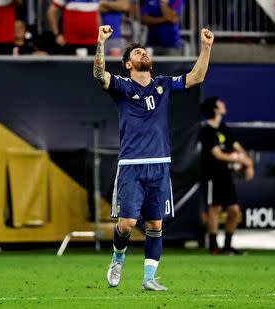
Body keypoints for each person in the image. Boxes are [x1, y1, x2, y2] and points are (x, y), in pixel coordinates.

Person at [93, 25, 214, 290]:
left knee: (155, 223)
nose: (143, 54)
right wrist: (101, 42)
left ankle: (149, 279)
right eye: (137, 52)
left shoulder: (163, 85)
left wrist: (206, 48)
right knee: (126, 224)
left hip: (160, 165)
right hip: (131, 166)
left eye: (144, 51)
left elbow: (195, 77)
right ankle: (118, 256)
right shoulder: (122, 87)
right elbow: (99, 75)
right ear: (128, 64)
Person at [198, 96, 254, 255]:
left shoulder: (223, 128)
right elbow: (217, 154)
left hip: (225, 175)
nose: (224, 104)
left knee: (234, 211)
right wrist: (238, 159)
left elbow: (237, 146)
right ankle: (214, 246)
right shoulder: (206, 131)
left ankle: (228, 245)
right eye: (220, 103)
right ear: (215, 109)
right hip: (211, 176)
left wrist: (248, 162)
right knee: (214, 209)